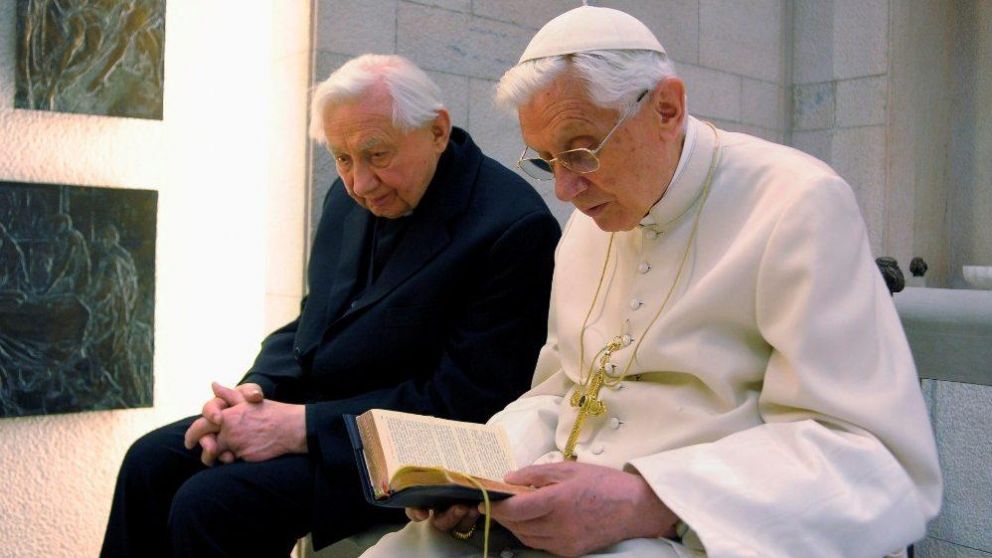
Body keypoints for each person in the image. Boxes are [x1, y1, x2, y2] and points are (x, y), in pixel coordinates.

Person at [362, 7, 942, 558]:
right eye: (545, 161)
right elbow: (565, 391)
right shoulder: (588, 227)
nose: (564, 190)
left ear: (665, 108)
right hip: (547, 521)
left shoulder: (798, 204)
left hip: (695, 534)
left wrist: (652, 500)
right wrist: (480, 477)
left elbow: (870, 459)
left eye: (580, 151)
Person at [100, 54, 561, 558]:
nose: (360, 183)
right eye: (342, 158)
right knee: (148, 462)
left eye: (377, 155)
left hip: (399, 454)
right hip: (317, 415)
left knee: (211, 503)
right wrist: (251, 398)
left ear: (437, 131)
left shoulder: (514, 228)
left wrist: (296, 427)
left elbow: (465, 403)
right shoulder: (349, 199)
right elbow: (312, 322)